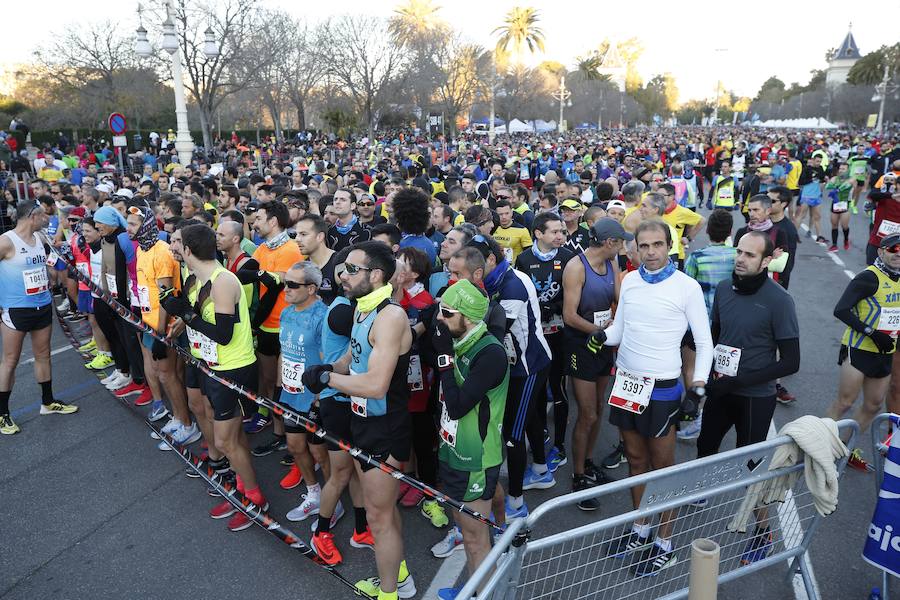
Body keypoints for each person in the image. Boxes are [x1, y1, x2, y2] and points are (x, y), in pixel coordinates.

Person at [598, 219, 712, 576]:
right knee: (634, 461)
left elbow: (705, 342)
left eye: (657, 245)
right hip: (627, 383)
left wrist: (698, 387)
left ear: (670, 244)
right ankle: (640, 529)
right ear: (635, 248)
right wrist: (599, 338)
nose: (650, 252)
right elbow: (620, 328)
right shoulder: (629, 280)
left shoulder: (687, 287)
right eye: (643, 246)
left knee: (662, 467)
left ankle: (665, 542)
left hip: (663, 387)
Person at [302, 241, 416, 600]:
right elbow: (353, 358)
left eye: (352, 269)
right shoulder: (362, 310)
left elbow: (375, 383)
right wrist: (327, 369)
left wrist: (328, 380)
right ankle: (399, 578)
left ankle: (388, 594)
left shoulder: (390, 316)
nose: (342, 275)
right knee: (382, 512)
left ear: (376, 275)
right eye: (343, 268)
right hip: (362, 421)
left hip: (385, 428)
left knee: (379, 517)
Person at [696, 231, 800, 565]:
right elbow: (716, 333)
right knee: (705, 446)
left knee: (751, 469)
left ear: (767, 261)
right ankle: (699, 495)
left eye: (750, 255)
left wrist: (738, 381)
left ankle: (763, 532)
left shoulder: (780, 300)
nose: (740, 259)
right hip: (721, 388)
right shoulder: (725, 288)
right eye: (739, 252)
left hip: (755, 396)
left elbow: (791, 361)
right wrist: (706, 370)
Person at [159, 223, 265, 531]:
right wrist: (181, 319)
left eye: (177, 245)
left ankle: (255, 500)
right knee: (232, 437)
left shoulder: (222, 281)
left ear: (189, 251)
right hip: (208, 363)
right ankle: (244, 490)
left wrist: (186, 314)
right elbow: (196, 316)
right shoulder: (195, 279)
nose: (173, 249)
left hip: (232, 367)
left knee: (225, 439)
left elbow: (222, 333)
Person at [431, 281, 509, 600]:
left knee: (475, 539)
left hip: (475, 459)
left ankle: (485, 591)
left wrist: (444, 361)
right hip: (453, 449)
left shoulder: (490, 352)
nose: (439, 318)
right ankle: (505, 538)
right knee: (468, 523)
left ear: (469, 318)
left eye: (447, 313)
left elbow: (459, 403)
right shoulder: (458, 338)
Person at [468, 234, 551, 517]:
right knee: (529, 419)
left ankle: (516, 503)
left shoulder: (511, 286)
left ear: (491, 259)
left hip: (527, 367)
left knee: (514, 436)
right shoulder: (497, 278)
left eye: (474, 264)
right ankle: (541, 468)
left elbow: (493, 335)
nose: (470, 271)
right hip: (521, 363)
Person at [562, 218, 628, 510]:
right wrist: (600, 332)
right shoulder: (577, 267)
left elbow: (620, 300)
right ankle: (578, 476)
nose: (625, 246)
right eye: (621, 241)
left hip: (603, 341)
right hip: (582, 344)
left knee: (599, 408)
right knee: (587, 413)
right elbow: (570, 316)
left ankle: (588, 463)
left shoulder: (612, 265)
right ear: (609, 243)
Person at [0, 202, 78, 434]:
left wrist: (52, 276)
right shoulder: (6, 241)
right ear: (32, 216)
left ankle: (48, 402)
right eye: (43, 214)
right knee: (10, 361)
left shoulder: (41, 238)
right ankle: (3, 414)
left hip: (42, 305)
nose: (47, 217)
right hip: (16, 309)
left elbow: (48, 264)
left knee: (43, 355)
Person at [126, 205, 199, 449]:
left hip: (163, 327)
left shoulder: (161, 252)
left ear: (146, 225)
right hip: (149, 324)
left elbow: (167, 296)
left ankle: (188, 425)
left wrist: (159, 334)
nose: (128, 228)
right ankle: (179, 418)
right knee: (166, 376)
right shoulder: (142, 250)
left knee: (169, 376)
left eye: (133, 224)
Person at [827, 233, 900, 470]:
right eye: (893, 249)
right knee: (845, 402)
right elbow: (841, 310)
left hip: (885, 352)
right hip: (859, 348)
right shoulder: (869, 277)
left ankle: (845, 448)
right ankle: (815, 444)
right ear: (881, 252)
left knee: (873, 405)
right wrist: (872, 332)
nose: (898, 253)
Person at [275, 262, 334, 523]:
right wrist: (279, 387)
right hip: (290, 393)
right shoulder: (287, 312)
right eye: (285, 282)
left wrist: (320, 398)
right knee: (295, 446)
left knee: (320, 452)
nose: (285, 289)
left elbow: (326, 361)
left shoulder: (323, 316)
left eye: (292, 285)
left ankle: (333, 501)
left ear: (311, 288)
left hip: (314, 398)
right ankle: (314, 493)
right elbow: (283, 352)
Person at [515, 213, 574, 475]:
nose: (560, 236)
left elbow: (577, 295)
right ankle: (541, 435)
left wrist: (556, 306)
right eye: (554, 232)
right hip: (534, 337)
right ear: (538, 234)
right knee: (536, 392)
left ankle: (560, 445)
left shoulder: (569, 257)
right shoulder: (524, 258)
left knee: (558, 390)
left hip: (560, 335)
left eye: (562, 231)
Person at [679, 209, 736, 441]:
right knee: (722, 370)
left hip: (699, 324)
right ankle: (715, 413)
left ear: (709, 231)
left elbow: (686, 290)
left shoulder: (697, 257)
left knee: (691, 369)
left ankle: (696, 412)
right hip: (728, 323)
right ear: (730, 232)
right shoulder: (738, 255)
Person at [246, 201, 303, 434]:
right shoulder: (263, 247)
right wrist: (266, 275)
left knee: (285, 385)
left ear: (273, 221)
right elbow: (244, 273)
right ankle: (274, 424)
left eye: (258, 218)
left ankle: (286, 433)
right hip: (267, 326)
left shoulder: (290, 249)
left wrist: (255, 321)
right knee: (268, 379)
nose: (254, 223)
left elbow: (273, 290)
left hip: (285, 326)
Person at [294, 214, 340, 305]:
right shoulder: (302, 266)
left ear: (320, 236)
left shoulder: (338, 263)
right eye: (297, 234)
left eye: (303, 234)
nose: (297, 239)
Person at [793, 153, 827, 244]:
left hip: (817, 196)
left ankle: (819, 236)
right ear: (813, 160)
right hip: (807, 196)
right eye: (817, 161)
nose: (818, 163)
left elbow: (822, 180)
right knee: (801, 215)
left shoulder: (820, 169)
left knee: (817, 217)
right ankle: (794, 235)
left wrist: (824, 181)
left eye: (820, 161)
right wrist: (811, 179)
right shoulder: (807, 169)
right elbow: (800, 182)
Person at [326, 187, 370, 252]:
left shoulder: (366, 231)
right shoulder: (329, 231)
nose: (337, 202)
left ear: (352, 206)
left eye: (343, 200)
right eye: (335, 199)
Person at [825, 163, 853, 252]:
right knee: (834, 225)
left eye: (843, 169)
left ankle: (846, 239)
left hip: (845, 203)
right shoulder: (835, 178)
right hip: (835, 204)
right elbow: (827, 186)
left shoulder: (851, 179)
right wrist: (831, 183)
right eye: (840, 168)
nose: (841, 170)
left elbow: (846, 185)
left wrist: (836, 187)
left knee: (844, 225)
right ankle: (834, 245)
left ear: (848, 170)